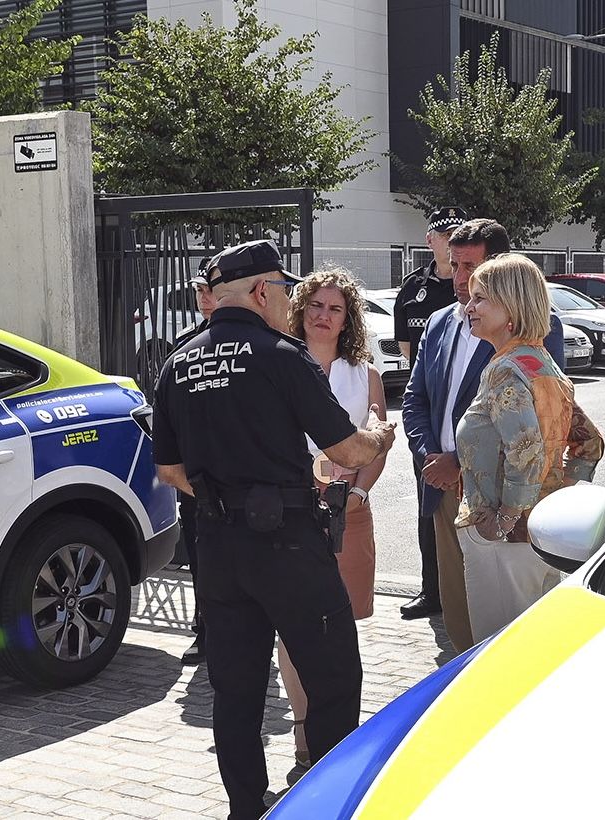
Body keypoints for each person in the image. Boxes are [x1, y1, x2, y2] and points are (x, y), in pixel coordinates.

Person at [151, 239, 397, 820]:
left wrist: (225, 497)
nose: (290, 299)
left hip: (217, 547)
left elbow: (169, 470)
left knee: (235, 690)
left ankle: (243, 807)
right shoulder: (282, 356)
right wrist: (381, 434)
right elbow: (346, 446)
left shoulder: (177, 363)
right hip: (288, 544)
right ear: (262, 291)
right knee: (334, 678)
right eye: (284, 289)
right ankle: (328, 805)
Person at [455, 253, 605, 643]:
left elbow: (525, 450)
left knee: (497, 651)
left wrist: (505, 518)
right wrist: (558, 494)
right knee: (535, 647)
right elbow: (589, 443)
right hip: (541, 536)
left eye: (480, 298)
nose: (468, 307)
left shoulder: (506, 368)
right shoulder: (542, 363)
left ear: (512, 307)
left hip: (504, 538)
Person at [277, 266, 387, 765]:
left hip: (347, 509)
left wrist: (359, 492)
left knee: (340, 626)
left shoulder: (364, 374)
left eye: (335, 308)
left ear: (349, 320)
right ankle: (303, 732)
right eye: (316, 305)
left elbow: (379, 438)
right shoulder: (277, 364)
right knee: (292, 623)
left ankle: (339, 731)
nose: (324, 315)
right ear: (301, 309)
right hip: (289, 509)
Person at [402, 218, 503, 653]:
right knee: (458, 613)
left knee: (498, 610)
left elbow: (528, 422)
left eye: (470, 267)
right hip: (441, 486)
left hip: (497, 493)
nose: (459, 279)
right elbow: (414, 398)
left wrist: (458, 463)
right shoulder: (439, 323)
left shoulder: (532, 327)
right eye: (454, 264)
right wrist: (430, 457)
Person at [392, 206, 464, 620]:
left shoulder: (473, 292)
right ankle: (431, 589)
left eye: (456, 231)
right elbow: (407, 345)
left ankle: (462, 593)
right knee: (429, 512)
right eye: (443, 233)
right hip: (430, 422)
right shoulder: (414, 286)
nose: (449, 238)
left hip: (466, 433)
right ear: (430, 239)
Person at [170, 262, 218, 666]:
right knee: (201, 559)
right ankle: (204, 631)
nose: (204, 298)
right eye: (198, 290)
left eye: (210, 289)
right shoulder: (185, 344)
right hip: (196, 474)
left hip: (241, 472)